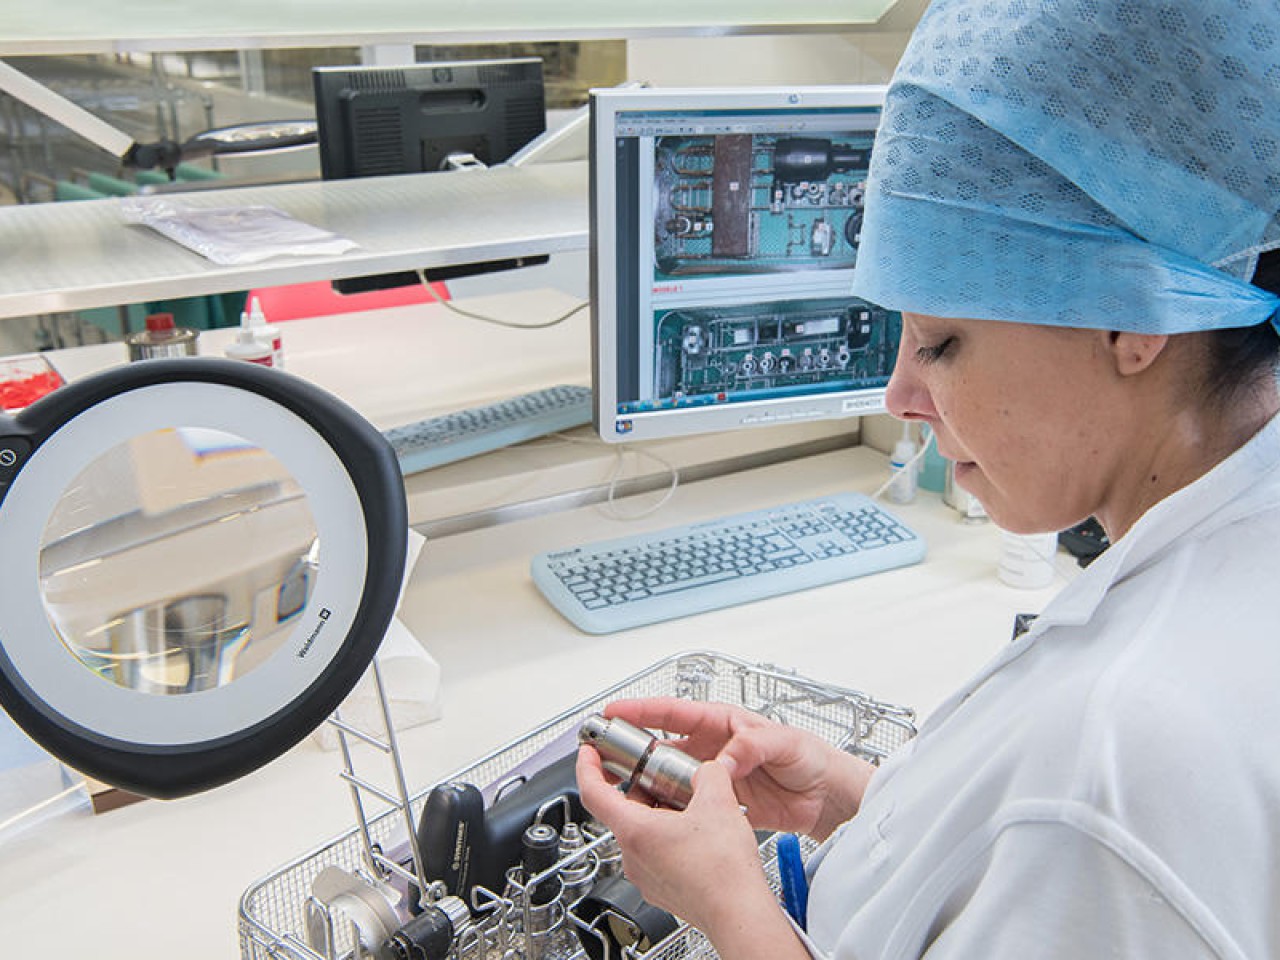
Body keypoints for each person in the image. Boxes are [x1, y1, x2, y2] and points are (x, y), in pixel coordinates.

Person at [577, 1, 1280, 957]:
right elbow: (1024, 867)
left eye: (942, 343)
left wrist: (727, 904)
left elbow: (1073, 836)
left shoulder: (1119, 757)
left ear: (1132, 318)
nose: (901, 396)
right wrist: (856, 799)